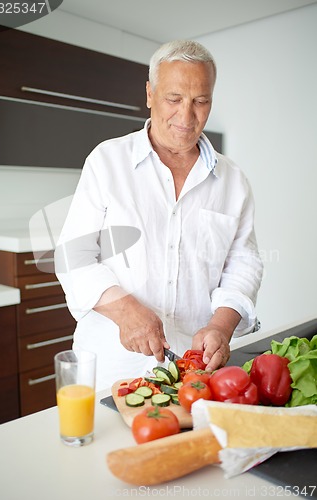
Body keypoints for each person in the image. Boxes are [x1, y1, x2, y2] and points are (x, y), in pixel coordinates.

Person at [55, 40, 263, 391]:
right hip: (110, 367)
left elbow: (243, 262)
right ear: (150, 93)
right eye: (174, 99)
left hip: (192, 371)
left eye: (200, 101)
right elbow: (72, 255)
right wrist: (125, 310)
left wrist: (222, 325)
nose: (186, 117)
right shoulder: (108, 162)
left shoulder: (234, 181)